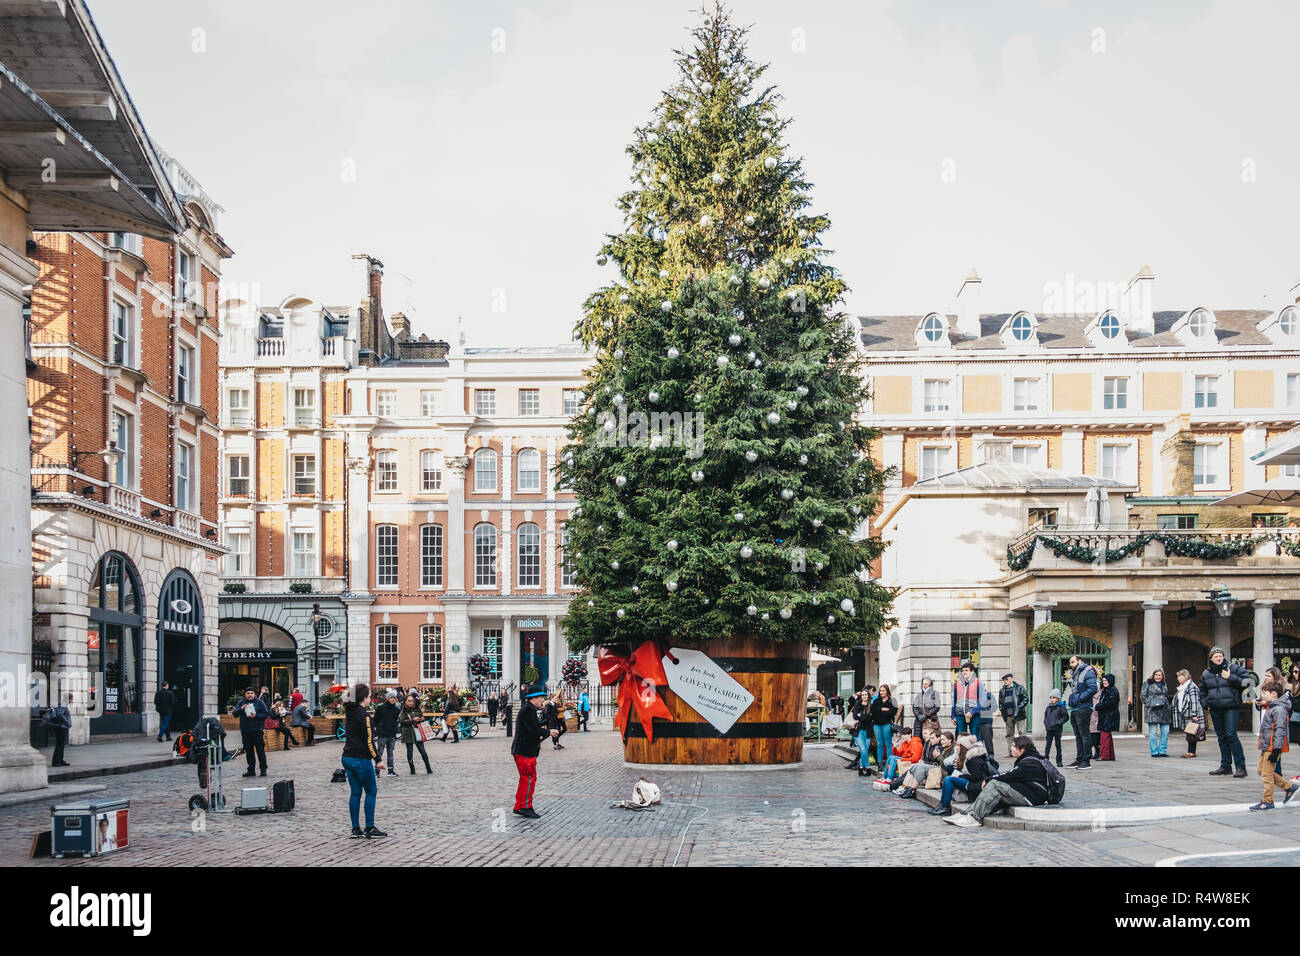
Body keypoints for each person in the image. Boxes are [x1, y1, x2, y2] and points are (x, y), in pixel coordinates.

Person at [945, 736, 1052, 828]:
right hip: (1028, 793)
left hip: (1031, 797)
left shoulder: (1030, 762)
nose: (1011, 748)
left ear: (1022, 749)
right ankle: (967, 813)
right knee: (995, 785)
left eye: (1014, 746)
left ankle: (974, 817)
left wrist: (988, 779)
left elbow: (1009, 774)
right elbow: (1012, 776)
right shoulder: (1029, 758)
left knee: (994, 785)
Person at [342, 683, 386, 838]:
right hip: (360, 758)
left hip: (347, 756)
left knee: (355, 793)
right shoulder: (364, 715)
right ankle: (369, 826)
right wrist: (378, 759)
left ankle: (355, 829)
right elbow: (369, 740)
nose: (370, 699)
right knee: (371, 791)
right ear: (363, 698)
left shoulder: (350, 711)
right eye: (368, 696)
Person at [1200, 646, 1248, 778]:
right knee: (1221, 737)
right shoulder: (1206, 674)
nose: (1219, 658)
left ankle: (1241, 767)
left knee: (1231, 735)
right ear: (1211, 659)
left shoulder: (1233, 668)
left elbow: (1248, 682)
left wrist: (1231, 677)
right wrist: (1206, 705)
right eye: (1216, 656)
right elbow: (1202, 692)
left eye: (1221, 655)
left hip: (1231, 707)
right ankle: (1226, 766)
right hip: (1215, 709)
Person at [1249, 681, 1296, 811]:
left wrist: (1276, 749)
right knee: (1261, 770)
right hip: (1267, 745)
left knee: (1267, 774)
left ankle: (1268, 801)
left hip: (1273, 746)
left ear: (1274, 694)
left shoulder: (1279, 709)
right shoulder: (1273, 706)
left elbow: (1280, 730)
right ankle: (1289, 787)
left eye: (1264, 693)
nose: (1262, 695)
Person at [511, 683, 556, 818]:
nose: (542, 700)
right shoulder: (528, 710)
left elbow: (533, 727)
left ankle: (519, 805)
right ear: (533, 698)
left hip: (523, 750)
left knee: (525, 779)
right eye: (540, 697)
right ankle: (525, 806)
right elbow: (533, 730)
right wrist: (549, 732)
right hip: (525, 751)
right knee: (529, 778)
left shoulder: (528, 709)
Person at [927, 734, 995, 817]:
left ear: (964, 747)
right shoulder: (965, 757)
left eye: (959, 745)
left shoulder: (974, 760)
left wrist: (960, 777)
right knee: (948, 779)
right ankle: (942, 804)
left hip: (976, 787)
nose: (956, 747)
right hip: (970, 782)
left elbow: (977, 777)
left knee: (949, 779)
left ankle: (945, 807)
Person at [1066, 654, 1097, 770]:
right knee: (1078, 735)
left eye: (1073, 662)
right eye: (1070, 662)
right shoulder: (1076, 673)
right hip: (1075, 707)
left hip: (1083, 707)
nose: (1071, 664)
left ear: (1080, 661)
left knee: (1084, 735)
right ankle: (1079, 759)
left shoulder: (1087, 672)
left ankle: (1086, 760)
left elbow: (1093, 688)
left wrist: (1079, 698)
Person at [231, 687, 269, 778]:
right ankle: (251, 770)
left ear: (254, 694)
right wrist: (241, 709)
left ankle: (263, 769)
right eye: (248, 693)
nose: (250, 695)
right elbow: (234, 714)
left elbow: (265, 714)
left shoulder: (259, 702)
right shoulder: (241, 702)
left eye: (251, 693)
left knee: (260, 750)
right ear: (245, 694)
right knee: (249, 751)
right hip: (245, 730)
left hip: (257, 730)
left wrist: (256, 716)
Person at [1140, 668, 1172, 757]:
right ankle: (1154, 751)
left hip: (1164, 710)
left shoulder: (1164, 684)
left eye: (1160, 675)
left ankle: (1163, 751)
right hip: (1152, 710)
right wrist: (1149, 703)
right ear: (1153, 675)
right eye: (1156, 675)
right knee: (1153, 732)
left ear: (1162, 676)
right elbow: (1143, 696)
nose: (1158, 677)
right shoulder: (1147, 683)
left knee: (1165, 732)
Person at [1173, 668, 1204, 758]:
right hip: (1185, 713)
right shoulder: (1182, 688)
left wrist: (1194, 714)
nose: (1178, 678)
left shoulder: (1191, 687)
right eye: (1178, 676)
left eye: (1180, 676)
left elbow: (1194, 701)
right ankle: (1190, 751)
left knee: (1192, 732)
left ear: (1185, 677)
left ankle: (1191, 751)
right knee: (1189, 733)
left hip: (1191, 713)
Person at [868, 684, 898, 775]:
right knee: (879, 744)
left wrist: (882, 712)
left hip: (886, 724)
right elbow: (873, 710)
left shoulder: (892, 700)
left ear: (887, 691)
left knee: (888, 744)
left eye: (883, 690)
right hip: (877, 725)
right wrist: (882, 709)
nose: (882, 692)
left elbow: (893, 712)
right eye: (880, 691)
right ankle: (880, 763)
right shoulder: (877, 700)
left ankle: (890, 763)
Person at [399, 694, 432, 775]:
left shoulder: (417, 709)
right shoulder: (403, 711)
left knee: (423, 751)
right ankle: (412, 769)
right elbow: (402, 722)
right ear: (405, 702)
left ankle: (428, 768)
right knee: (410, 752)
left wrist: (421, 718)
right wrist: (413, 720)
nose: (411, 702)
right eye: (409, 701)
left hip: (418, 732)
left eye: (412, 701)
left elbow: (422, 717)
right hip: (408, 733)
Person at [998, 672, 1028, 756]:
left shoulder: (1019, 688)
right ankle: (1011, 752)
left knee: (1022, 733)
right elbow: (1000, 703)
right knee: (1009, 734)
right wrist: (1002, 711)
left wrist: (1019, 708)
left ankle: (1023, 751)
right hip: (1008, 715)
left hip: (1019, 714)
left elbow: (1025, 699)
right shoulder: (1002, 690)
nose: (1005, 681)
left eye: (1007, 679)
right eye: (1004, 680)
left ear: (1011, 679)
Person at [951, 662, 982, 740]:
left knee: (975, 737)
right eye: (963, 670)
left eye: (966, 670)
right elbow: (954, 701)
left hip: (974, 715)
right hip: (960, 715)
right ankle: (962, 752)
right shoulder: (957, 684)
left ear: (972, 672)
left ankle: (977, 752)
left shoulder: (978, 683)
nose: (964, 672)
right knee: (961, 738)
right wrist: (953, 715)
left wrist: (972, 711)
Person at [372, 690, 401, 773]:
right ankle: (376, 771)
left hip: (392, 734)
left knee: (390, 752)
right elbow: (375, 719)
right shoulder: (380, 708)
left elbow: (395, 720)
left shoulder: (396, 710)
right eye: (391, 698)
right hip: (382, 734)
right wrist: (377, 728)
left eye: (394, 698)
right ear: (387, 699)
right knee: (379, 752)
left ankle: (391, 770)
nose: (393, 699)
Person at [43, 692, 73, 767]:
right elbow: (60, 715)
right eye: (72, 699)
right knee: (59, 745)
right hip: (61, 728)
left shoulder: (63, 704)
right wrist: (68, 723)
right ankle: (56, 762)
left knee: (61, 745)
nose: (72, 701)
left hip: (62, 727)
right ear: (68, 699)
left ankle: (60, 760)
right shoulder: (62, 705)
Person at [1097, 673, 1120, 761]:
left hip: (1109, 715)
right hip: (1106, 715)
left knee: (1105, 735)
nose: (1104, 682)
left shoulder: (1113, 690)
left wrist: (1099, 706)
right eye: (1103, 681)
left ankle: (1104, 755)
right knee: (1107, 735)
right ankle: (1109, 755)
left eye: (1106, 680)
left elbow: (1109, 703)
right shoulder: (1106, 690)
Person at [1042, 689, 1068, 766]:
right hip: (1049, 729)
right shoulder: (1048, 707)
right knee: (1048, 745)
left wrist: (1059, 722)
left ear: (1058, 698)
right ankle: (1046, 759)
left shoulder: (1061, 707)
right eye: (1051, 698)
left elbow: (1066, 717)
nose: (1052, 699)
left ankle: (1059, 761)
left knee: (1058, 745)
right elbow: (1046, 716)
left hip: (1057, 729)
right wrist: (1046, 723)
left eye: (1054, 698)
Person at [851, 688, 874, 775]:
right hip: (858, 731)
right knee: (863, 750)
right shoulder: (858, 704)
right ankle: (867, 768)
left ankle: (861, 768)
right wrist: (865, 716)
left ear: (868, 696)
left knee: (865, 750)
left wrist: (861, 715)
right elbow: (855, 716)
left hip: (868, 731)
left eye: (866, 695)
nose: (864, 696)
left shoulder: (871, 705)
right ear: (861, 696)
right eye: (863, 695)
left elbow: (871, 718)